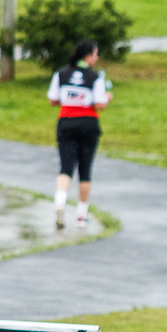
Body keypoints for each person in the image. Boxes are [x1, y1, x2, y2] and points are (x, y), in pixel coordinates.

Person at [47, 40, 112, 231]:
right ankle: (81, 216)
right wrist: (108, 97)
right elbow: (100, 103)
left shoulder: (61, 74)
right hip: (88, 123)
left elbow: (52, 99)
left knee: (65, 167)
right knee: (85, 168)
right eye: (95, 54)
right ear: (88, 56)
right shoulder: (95, 77)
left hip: (65, 122)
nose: (97, 58)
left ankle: (60, 204)